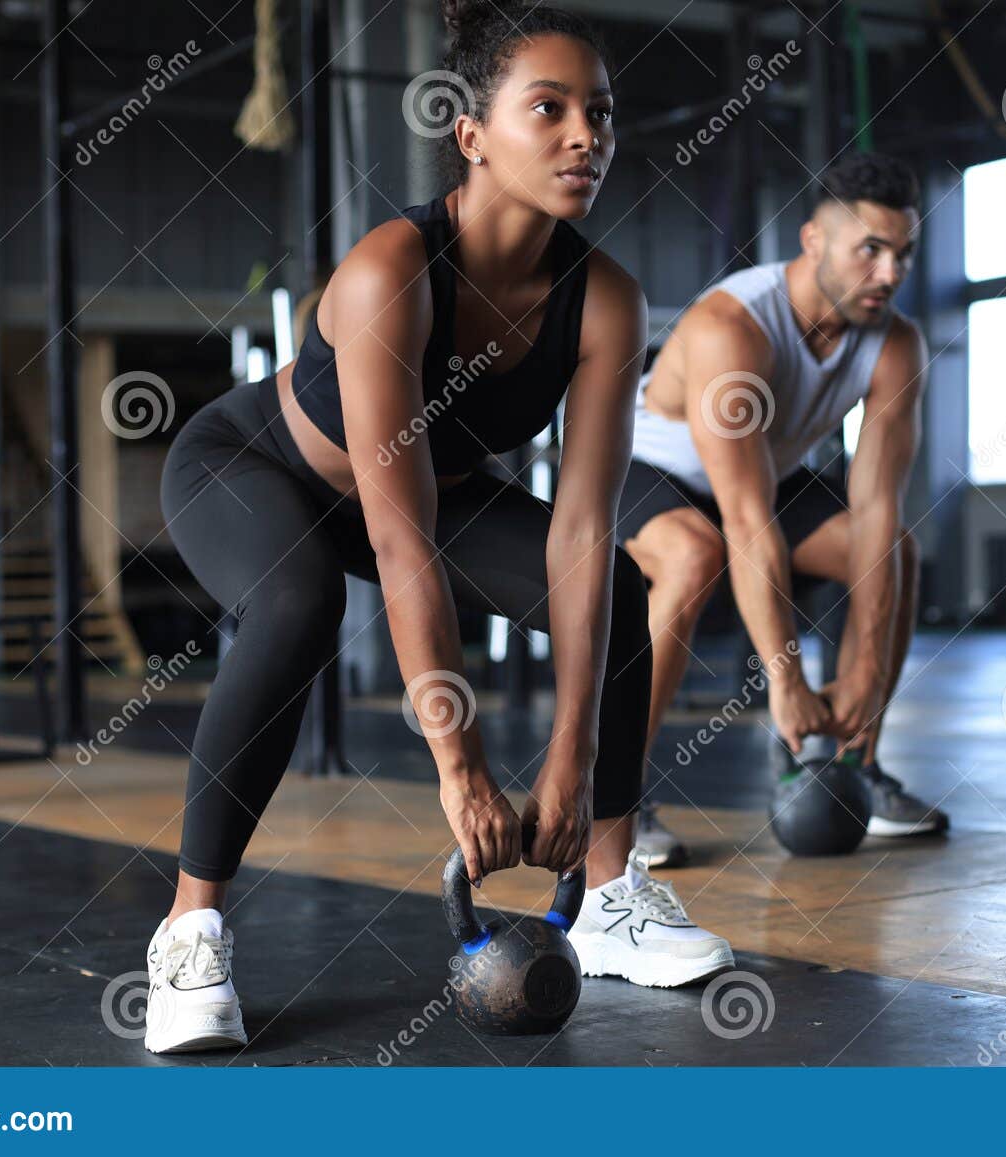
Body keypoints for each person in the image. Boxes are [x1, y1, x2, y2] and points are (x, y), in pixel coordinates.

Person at [146, 1, 732, 1054]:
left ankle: (607, 895)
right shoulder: (392, 272)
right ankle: (190, 927)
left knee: (631, 595)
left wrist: (571, 748)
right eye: (547, 109)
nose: (584, 136)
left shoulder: (603, 299)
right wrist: (460, 767)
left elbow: (580, 530)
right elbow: (398, 537)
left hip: (437, 490)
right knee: (296, 601)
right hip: (254, 465)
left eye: (598, 112)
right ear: (472, 135)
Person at [617, 152, 949, 867]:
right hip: (655, 472)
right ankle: (615, 795)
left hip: (769, 476)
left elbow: (878, 507)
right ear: (814, 241)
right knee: (694, 553)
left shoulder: (895, 344)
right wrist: (786, 681)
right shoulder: (731, 328)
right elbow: (746, 521)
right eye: (871, 251)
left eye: (903, 254)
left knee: (894, 547)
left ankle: (859, 761)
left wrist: (865, 679)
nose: (891, 274)